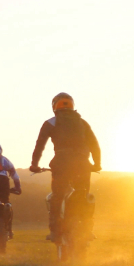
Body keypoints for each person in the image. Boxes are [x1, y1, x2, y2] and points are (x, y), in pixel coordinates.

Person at [30, 92, 101, 241]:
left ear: (54, 106)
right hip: (82, 163)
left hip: (61, 162)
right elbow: (94, 144)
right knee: (83, 195)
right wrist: (97, 164)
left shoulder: (51, 122)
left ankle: (55, 231)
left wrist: (34, 165)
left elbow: (40, 145)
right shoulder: (82, 123)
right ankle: (87, 229)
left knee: (57, 195)